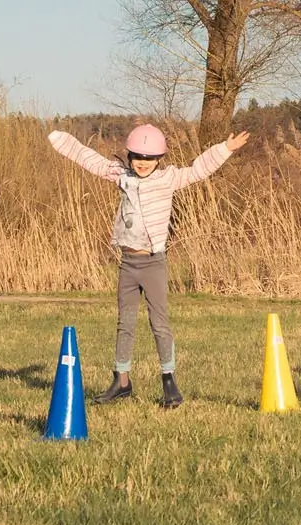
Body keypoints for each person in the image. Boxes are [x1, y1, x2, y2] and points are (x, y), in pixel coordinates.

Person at [46, 123, 250, 408]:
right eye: (138, 158)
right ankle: (122, 381)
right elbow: (89, 158)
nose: (143, 164)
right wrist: (61, 139)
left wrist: (224, 149)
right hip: (128, 263)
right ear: (130, 157)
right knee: (124, 323)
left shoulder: (168, 179)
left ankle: (169, 381)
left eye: (150, 159)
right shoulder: (122, 176)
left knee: (159, 324)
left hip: (153, 262)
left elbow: (197, 169)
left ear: (159, 159)